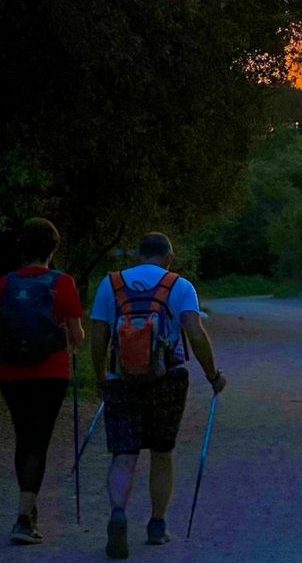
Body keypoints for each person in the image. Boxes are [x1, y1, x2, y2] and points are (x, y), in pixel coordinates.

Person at [89, 232, 226, 559]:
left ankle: (118, 514)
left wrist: (101, 378)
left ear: (137, 255)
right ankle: (156, 525)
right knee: (162, 452)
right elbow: (195, 332)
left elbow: (98, 337)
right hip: (168, 379)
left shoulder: (111, 284)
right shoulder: (180, 286)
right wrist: (212, 375)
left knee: (124, 453)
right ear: (169, 256)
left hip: (121, 379)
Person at [0, 218, 85, 544]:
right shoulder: (62, 283)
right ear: (54, 248)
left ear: (21, 247)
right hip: (51, 372)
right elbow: (76, 337)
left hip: (10, 372)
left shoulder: (4, 284)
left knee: (24, 437)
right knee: (38, 440)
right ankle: (24, 517)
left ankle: (27, 510)